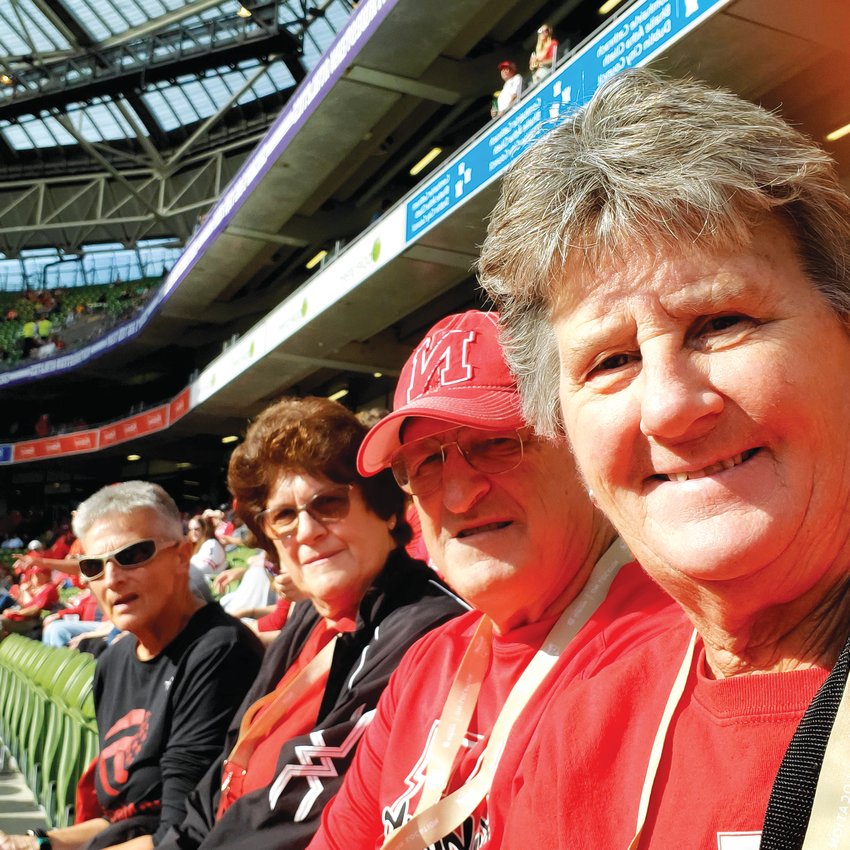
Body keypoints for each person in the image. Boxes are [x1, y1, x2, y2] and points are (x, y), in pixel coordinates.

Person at [478, 66, 850, 847]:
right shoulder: (582, 733)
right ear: (562, 427)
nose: (671, 407)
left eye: (719, 322)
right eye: (609, 362)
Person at [307, 311, 679, 850]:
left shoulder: (673, 649)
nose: (457, 496)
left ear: (579, 446)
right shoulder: (427, 661)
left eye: (497, 442)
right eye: (426, 462)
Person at [155, 397, 465, 850]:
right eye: (283, 516)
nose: (306, 531)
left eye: (329, 502)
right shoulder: (309, 616)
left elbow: (300, 812)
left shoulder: (428, 629)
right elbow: (226, 765)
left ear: (387, 510)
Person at [0, 481, 264, 850]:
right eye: (94, 565)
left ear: (182, 555)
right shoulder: (114, 663)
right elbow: (121, 818)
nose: (112, 578)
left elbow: (180, 836)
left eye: (134, 554)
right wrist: (34, 843)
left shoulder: (221, 654)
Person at [0, 563, 59, 638]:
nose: (34, 578)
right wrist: (24, 592)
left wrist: (15, 613)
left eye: (37, 575)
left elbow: (34, 611)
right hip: (28, 619)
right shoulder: (37, 589)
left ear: (45, 575)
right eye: (34, 575)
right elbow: (23, 605)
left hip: (35, 623)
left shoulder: (49, 589)